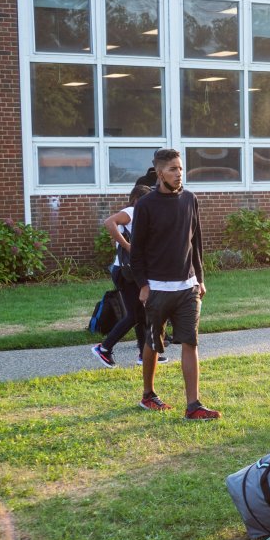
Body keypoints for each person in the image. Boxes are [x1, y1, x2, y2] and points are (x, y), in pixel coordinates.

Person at [129, 148, 220, 419]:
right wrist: (143, 285)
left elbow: (197, 243)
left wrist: (200, 280)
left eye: (180, 168)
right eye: (172, 169)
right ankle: (148, 394)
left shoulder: (190, 200)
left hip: (187, 287)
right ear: (159, 173)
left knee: (190, 342)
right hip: (157, 287)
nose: (179, 174)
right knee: (154, 342)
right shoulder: (145, 205)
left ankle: (193, 405)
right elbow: (137, 252)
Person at [92, 187, 167, 368]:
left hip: (132, 271)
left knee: (140, 313)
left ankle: (144, 354)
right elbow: (109, 222)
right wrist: (127, 246)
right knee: (135, 314)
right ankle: (104, 348)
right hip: (125, 273)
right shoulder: (132, 211)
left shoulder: (142, 215)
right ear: (138, 199)